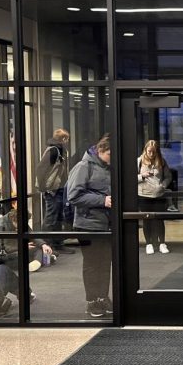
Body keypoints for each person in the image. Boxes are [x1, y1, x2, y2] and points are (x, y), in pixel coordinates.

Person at [67, 134, 113, 318]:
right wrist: (103, 200)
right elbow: (74, 196)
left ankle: (102, 297)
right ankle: (92, 300)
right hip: (88, 225)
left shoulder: (107, 167)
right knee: (93, 264)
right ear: (100, 150)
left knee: (105, 263)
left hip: (105, 224)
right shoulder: (83, 167)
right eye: (110, 154)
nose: (112, 158)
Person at [0, 204, 48, 303]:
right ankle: (40, 260)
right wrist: (22, 247)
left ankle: (39, 260)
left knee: (39, 248)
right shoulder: (2, 227)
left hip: (12, 251)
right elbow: (3, 251)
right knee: (5, 271)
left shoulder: (19, 220)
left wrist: (43, 244)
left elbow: (31, 234)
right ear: (14, 220)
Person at [35, 128, 75, 254]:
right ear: (63, 139)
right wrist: (44, 187)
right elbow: (41, 169)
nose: (67, 141)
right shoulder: (53, 150)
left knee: (58, 217)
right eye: (66, 139)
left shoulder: (60, 150)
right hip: (53, 189)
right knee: (51, 217)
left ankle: (57, 244)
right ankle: (46, 246)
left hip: (60, 188)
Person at [137, 139, 172, 254]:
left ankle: (162, 243)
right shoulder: (139, 161)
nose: (151, 154)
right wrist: (142, 176)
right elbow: (130, 177)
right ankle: (149, 244)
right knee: (147, 220)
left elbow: (168, 176)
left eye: (154, 152)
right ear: (145, 150)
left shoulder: (161, 161)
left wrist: (163, 185)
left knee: (159, 220)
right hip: (144, 195)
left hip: (158, 194)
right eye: (149, 151)